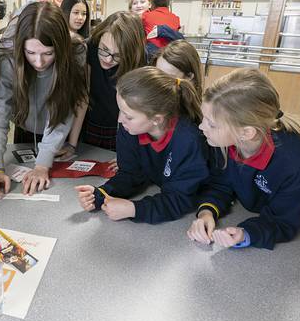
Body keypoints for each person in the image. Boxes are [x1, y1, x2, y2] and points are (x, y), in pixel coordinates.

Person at [187, 68, 300, 250]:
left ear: (246, 132)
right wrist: (206, 213)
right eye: (203, 118)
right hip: (260, 204)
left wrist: (246, 233)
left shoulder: (297, 164)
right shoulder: (224, 140)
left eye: (211, 124)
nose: (201, 127)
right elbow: (220, 184)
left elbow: (283, 222)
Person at [75, 66, 209, 223]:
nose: (120, 120)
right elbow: (130, 174)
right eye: (121, 112)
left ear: (156, 119)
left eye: (129, 116)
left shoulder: (189, 141)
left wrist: (134, 209)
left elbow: (180, 198)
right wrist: (102, 194)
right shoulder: (129, 129)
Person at [0, 2, 87, 198]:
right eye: (30, 53)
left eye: (48, 53)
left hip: (59, 127)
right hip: (24, 122)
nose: (39, 62)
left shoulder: (76, 51)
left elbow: (63, 109)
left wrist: (42, 165)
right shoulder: (6, 57)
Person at [68, 11, 146, 151]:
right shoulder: (90, 47)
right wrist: (71, 145)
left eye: (118, 55)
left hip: (123, 128)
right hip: (89, 124)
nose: (108, 59)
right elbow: (82, 98)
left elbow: (134, 109)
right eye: (104, 49)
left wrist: (126, 152)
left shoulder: (140, 59)